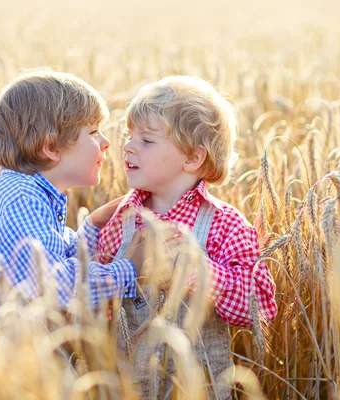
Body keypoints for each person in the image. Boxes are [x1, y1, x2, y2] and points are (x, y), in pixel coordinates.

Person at [98, 76, 278, 399]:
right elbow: (97, 294)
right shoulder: (122, 221)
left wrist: (197, 273)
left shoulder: (225, 226)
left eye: (147, 140)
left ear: (193, 158)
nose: (127, 146)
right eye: (129, 136)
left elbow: (261, 306)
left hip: (199, 389)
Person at [0, 70, 156, 314]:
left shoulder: (34, 195)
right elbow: (55, 286)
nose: (106, 142)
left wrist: (93, 226)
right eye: (93, 132)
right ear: (51, 148)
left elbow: (57, 256)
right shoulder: (19, 198)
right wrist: (129, 269)